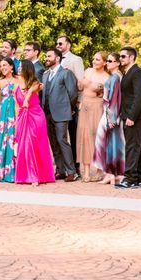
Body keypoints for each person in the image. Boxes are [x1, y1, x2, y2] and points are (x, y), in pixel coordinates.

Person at [14, 60, 56, 186]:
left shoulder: (35, 82)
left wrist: (27, 97)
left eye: (22, 67)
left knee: (33, 144)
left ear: (27, 68)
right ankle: (23, 175)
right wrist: (17, 120)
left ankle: (35, 176)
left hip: (35, 115)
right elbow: (17, 104)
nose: (19, 68)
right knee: (23, 145)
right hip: (22, 116)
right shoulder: (16, 83)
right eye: (19, 66)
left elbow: (33, 89)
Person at [42, 48, 79, 182]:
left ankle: (72, 171)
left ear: (57, 58)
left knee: (62, 141)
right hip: (47, 114)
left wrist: (69, 109)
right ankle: (60, 170)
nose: (46, 58)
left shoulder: (65, 74)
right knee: (54, 143)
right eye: (46, 56)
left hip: (61, 113)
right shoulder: (45, 75)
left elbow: (73, 93)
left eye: (49, 56)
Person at [115, 46, 141, 189]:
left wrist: (131, 116)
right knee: (137, 147)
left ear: (131, 57)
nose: (120, 59)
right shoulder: (128, 72)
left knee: (132, 147)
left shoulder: (138, 73)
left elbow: (139, 97)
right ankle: (140, 177)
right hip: (128, 115)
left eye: (123, 56)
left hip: (134, 116)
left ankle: (130, 178)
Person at [77, 51, 110, 182]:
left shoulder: (107, 76)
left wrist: (89, 84)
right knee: (84, 136)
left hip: (98, 107)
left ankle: (99, 170)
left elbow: (101, 92)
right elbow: (81, 85)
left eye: (97, 59)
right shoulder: (88, 71)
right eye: (94, 59)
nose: (94, 61)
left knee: (97, 137)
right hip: (85, 106)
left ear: (104, 62)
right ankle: (86, 171)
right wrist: (90, 85)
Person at [93, 52, 126, 185]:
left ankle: (110, 173)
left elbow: (113, 100)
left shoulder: (114, 78)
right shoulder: (118, 77)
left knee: (103, 143)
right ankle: (113, 173)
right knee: (113, 144)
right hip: (113, 115)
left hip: (110, 115)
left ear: (118, 63)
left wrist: (111, 118)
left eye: (110, 61)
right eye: (108, 61)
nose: (107, 63)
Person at [57, 35, 84, 175]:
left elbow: (80, 83)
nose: (58, 45)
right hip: (57, 105)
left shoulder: (75, 60)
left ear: (68, 45)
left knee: (73, 135)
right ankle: (63, 167)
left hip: (71, 104)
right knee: (60, 137)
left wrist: (77, 103)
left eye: (60, 43)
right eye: (57, 43)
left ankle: (76, 167)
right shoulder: (56, 59)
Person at [0, 57, 18, 183]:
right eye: (1, 66)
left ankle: (15, 172)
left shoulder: (19, 80)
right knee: (3, 141)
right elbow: (0, 100)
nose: (3, 68)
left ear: (11, 66)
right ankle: (3, 171)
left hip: (15, 113)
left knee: (14, 140)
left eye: (5, 65)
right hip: (4, 114)